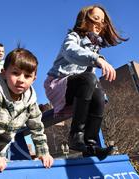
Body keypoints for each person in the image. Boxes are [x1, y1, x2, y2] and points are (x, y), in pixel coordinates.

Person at [44, 5, 127, 159]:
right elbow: (71, 52)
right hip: (57, 85)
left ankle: (90, 144)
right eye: (96, 18)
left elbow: (90, 82)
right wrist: (97, 59)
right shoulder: (74, 37)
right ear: (85, 19)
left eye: (102, 21)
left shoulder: (95, 48)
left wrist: (98, 98)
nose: (100, 23)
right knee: (90, 79)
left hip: (77, 88)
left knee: (99, 92)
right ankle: (75, 136)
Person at [0, 48, 54, 172]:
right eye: (15, 73)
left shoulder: (30, 100)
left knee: (1, 170)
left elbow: (37, 127)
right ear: (4, 73)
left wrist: (43, 152)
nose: (21, 80)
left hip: (3, 145)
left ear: (33, 79)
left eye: (27, 76)